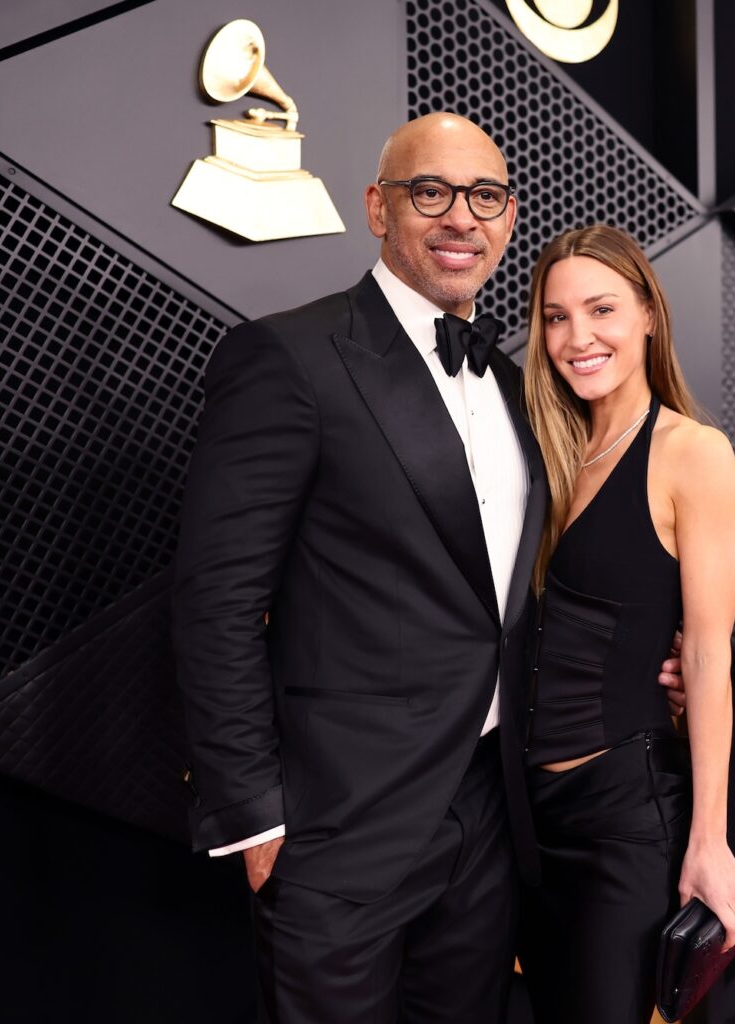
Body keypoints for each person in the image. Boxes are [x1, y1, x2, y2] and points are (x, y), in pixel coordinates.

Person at [171, 114, 682, 1023]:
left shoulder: (530, 386)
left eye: (484, 196)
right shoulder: (289, 358)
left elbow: (528, 588)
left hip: (492, 811)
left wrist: (657, 661)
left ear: (510, 218)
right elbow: (216, 602)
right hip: (339, 822)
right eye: (429, 192)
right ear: (378, 207)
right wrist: (255, 815)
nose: (460, 218)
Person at [517, 224, 735, 1024]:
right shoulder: (546, 452)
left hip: (625, 818)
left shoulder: (694, 453)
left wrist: (710, 842)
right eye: (555, 317)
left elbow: (710, 657)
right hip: (519, 820)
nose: (577, 338)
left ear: (649, 314)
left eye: (601, 309)